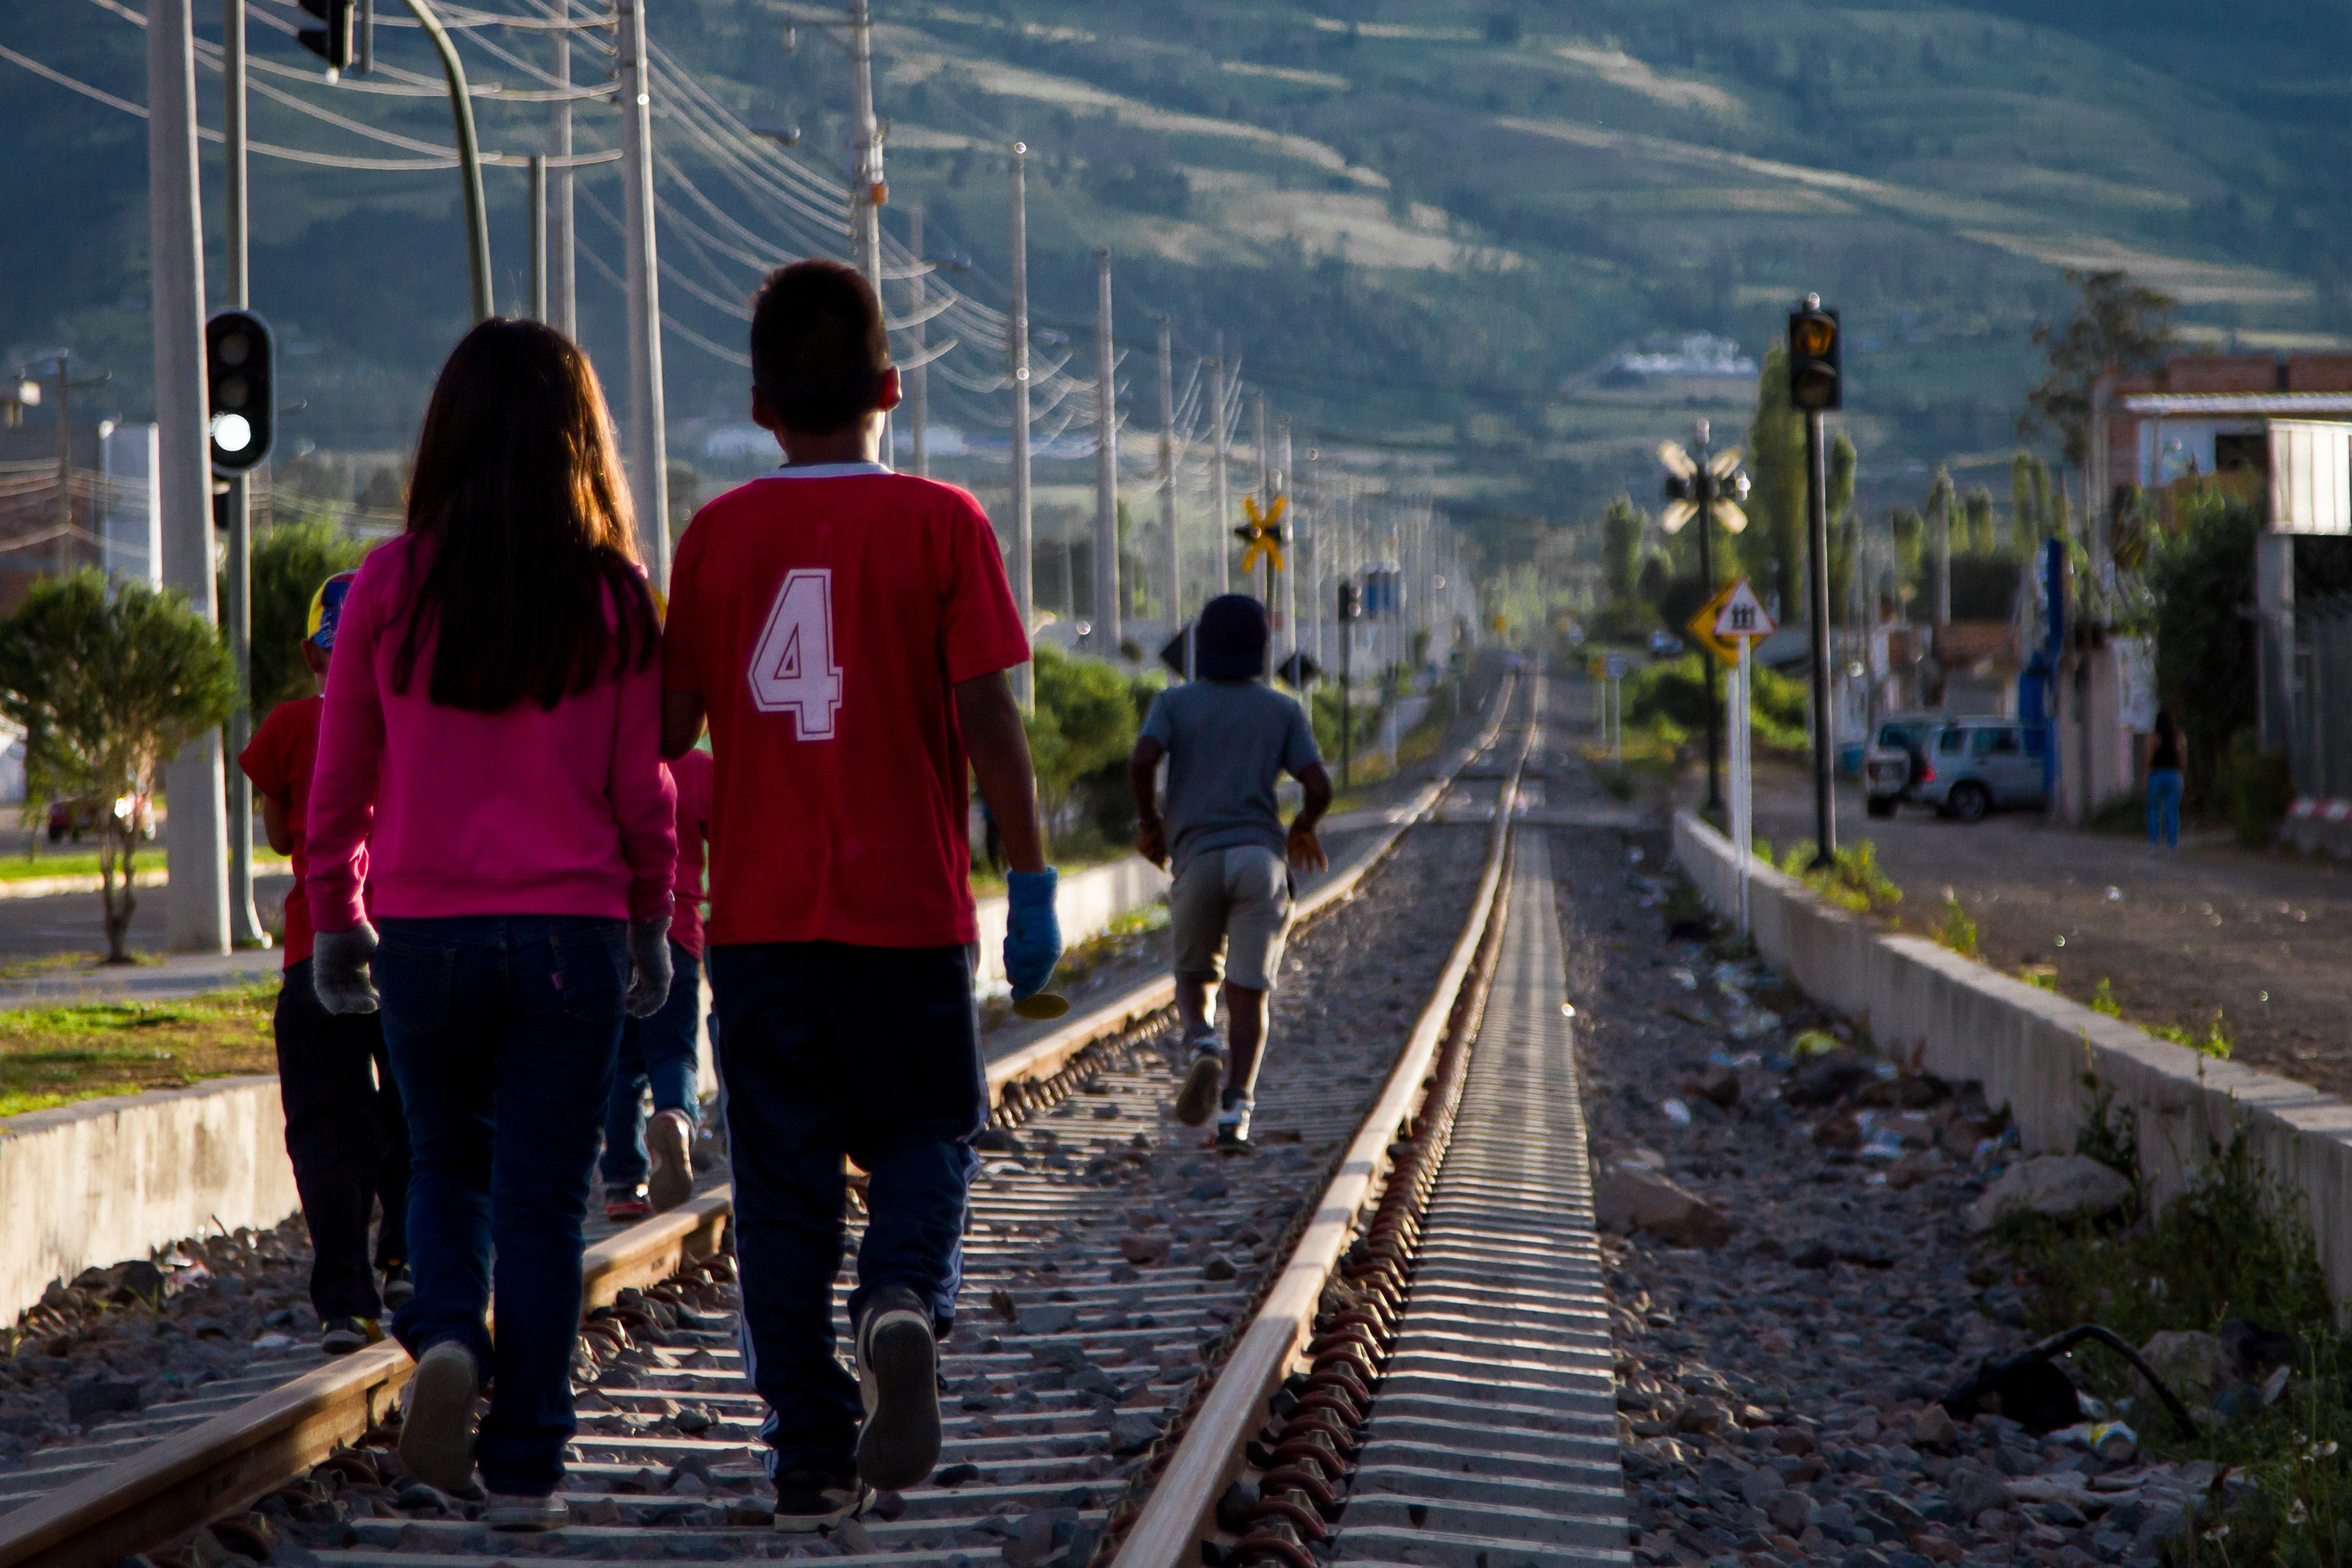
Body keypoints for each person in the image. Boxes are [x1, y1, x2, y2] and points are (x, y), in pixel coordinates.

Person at [661, 258, 1060, 1530]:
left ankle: (810, 1455)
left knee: (779, 1187)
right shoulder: (947, 523)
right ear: (892, 386)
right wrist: (1033, 872)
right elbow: (988, 713)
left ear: (764, 405)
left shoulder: (716, 538)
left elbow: (671, 729)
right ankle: (897, 1296)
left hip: (764, 926)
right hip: (907, 914)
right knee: (928, 1130)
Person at [305, 320, 676, 1531]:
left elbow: (340, 777)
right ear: (584, 444)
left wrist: (334, 913)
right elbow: (643, 789)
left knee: (447, 1163)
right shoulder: (616, 599)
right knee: (543, 1193)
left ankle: (450, 1332)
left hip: (425, 939)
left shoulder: (386, 584)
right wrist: (653, 918)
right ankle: (525, 1464)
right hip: (568, 938)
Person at [238, 571, 412, 1357]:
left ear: (313, 653)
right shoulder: (414, 725)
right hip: (409, 946)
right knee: (418, 1113)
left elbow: (281, 836)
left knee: (325, 1129)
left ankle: (346, 1302)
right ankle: (411, 1260)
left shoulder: (287, 728)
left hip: (317, 951)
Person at [1127, 594, 1332, 1148]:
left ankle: (1200, 1043)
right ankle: (1235, 1115)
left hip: (1196, 859)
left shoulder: (1174, 703)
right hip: (1261, 863)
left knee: (1194, 978)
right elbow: (1318, 785)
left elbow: (1143, 759)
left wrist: (1150, 822)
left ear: (1201, 647)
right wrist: (1303, 827)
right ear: (1263, 652)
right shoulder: (1283, 709)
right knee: (1250, 997)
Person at [602, 742, 714, 1220]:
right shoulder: (698, 769)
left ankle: (624, 1182)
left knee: (622, 1063)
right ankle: (675, 1118)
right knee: (673, 1051)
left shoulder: (608, 760)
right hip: (677, 929)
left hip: (610, 932)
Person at [2149, 708, 2185, 853]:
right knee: (2172, 811)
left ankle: (2154, 844)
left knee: (2154, 811)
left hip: (2156, 775)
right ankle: (2172, 845)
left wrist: (2146, 776)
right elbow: (2183, 758)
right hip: (2174, 775)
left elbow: (2148, 758)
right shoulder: (2178, 736)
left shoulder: (2153, 738)